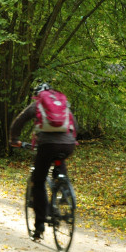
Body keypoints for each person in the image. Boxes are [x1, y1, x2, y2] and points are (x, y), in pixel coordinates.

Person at [9, 83, 78, 241]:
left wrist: (14, 139)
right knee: (59, 163)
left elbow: (19, 122)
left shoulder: (38, 103)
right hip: (68, 145)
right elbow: (75, 124)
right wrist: (71, 140)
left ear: (38, 94)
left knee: (38, 181)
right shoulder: (62, 103)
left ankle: (40, 225)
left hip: (47, 145)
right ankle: (64, 193)